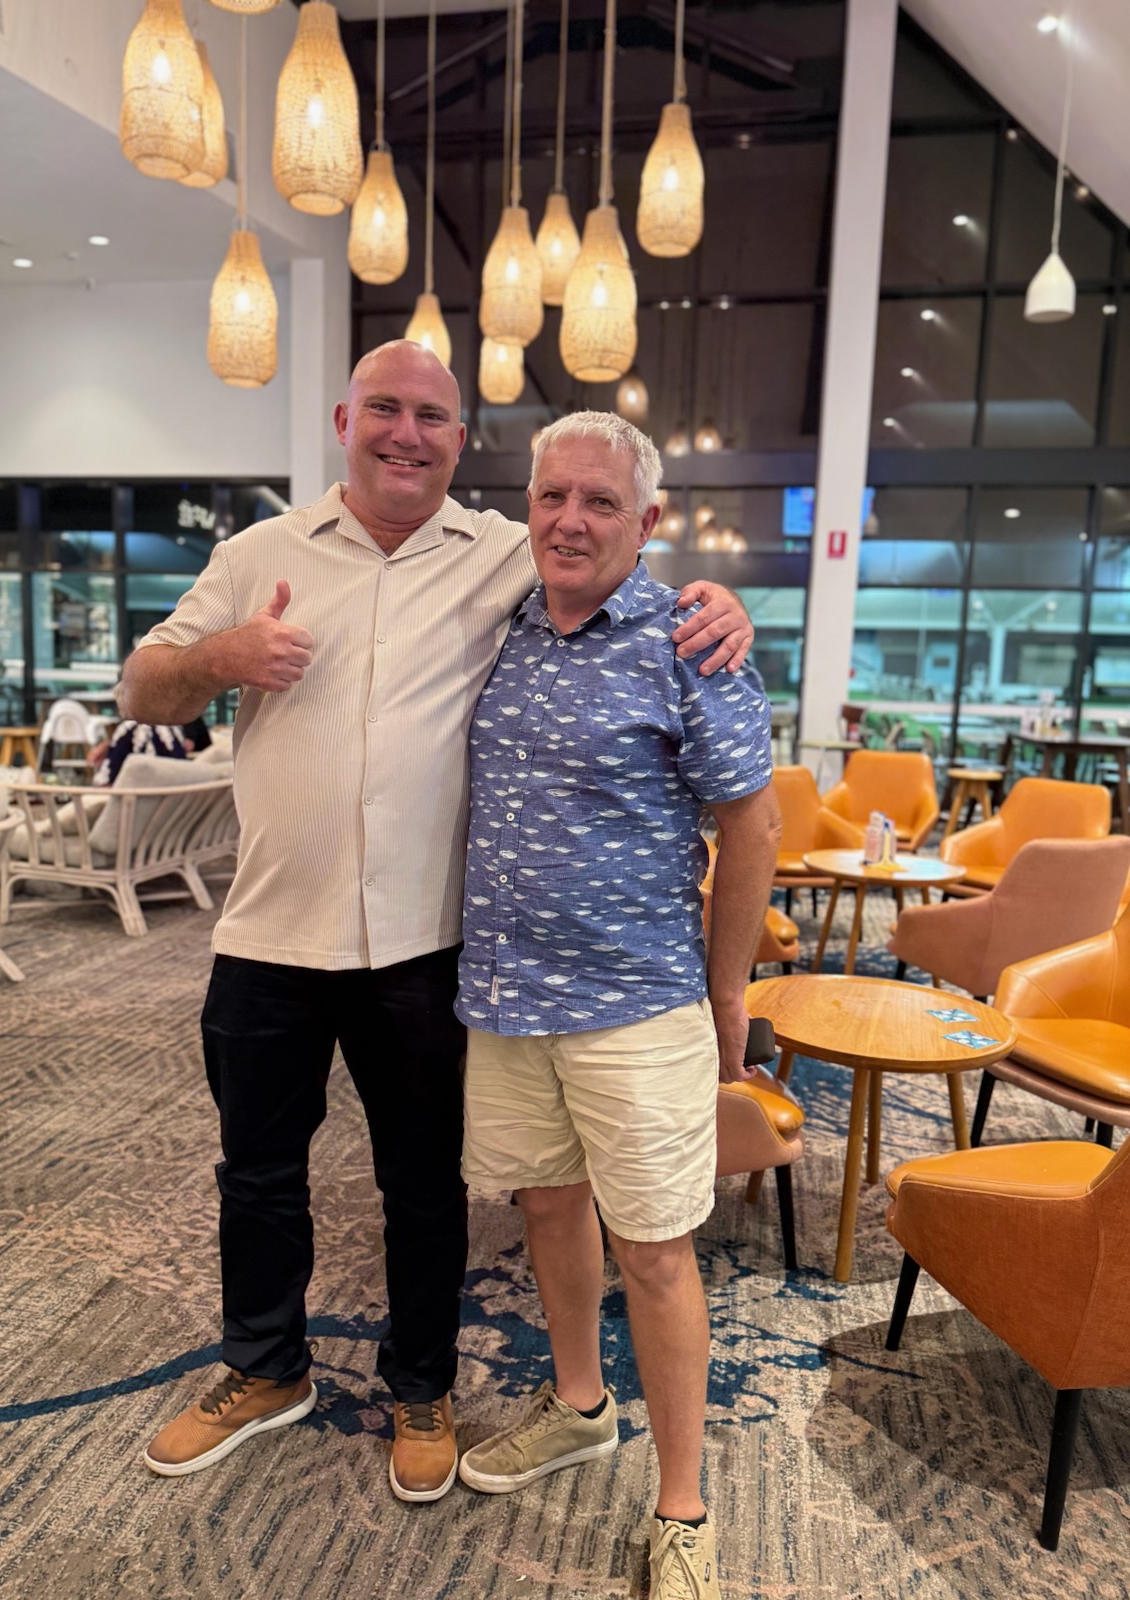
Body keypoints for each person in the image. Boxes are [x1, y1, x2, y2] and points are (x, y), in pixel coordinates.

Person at [119, 340, 756, 1496]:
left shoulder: (505, 553)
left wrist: (721, 604)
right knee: (256, 1172)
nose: (406, 433)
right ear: (342, 418)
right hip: (265, 935)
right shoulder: (257, 553)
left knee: (423, 1183)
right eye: (385, 411)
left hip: (423, 947)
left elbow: (616, 561)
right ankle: (265, 1368)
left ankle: (424, 1387)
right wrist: (227, 654)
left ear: (462, 444)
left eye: (432, 417)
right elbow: (142, 685)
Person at [453, 413, 780, 1599]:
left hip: (636, 1002)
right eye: (552, 496)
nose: (570, 519)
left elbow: (752, 821)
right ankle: (580, 1405)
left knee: (653, 1250)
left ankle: (683, 1501)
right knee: (548, 1209)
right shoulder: (503, 622)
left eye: (600, 501)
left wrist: (727, 985)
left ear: (647, 522)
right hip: (504, 994)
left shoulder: (692, 642)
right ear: (526, 505)